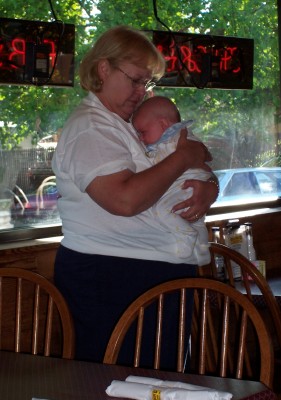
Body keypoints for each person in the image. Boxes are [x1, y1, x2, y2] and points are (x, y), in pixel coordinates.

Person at [51, 25, 219, 367]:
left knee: (160, 384)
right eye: (135, 80)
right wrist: (183, 158)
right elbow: (123, 200)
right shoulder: (91, 127)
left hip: (141, 277)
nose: (141, 91)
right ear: (103, 69)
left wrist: (208, 186)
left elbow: (191, 160)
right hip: (111, 278)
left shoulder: (126, 124)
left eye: (147, 83)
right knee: (119, 386)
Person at [132, 95, 213, 265]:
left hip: (188, 182)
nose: (140, 138)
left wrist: (212, 184)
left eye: (143, 132)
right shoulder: (166, 140)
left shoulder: (178, 137)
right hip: (186, 184)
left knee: (162, 210)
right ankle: (203, 252)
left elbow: (205, 156)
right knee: (194, 218)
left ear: (163, 124)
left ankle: (186, 235)